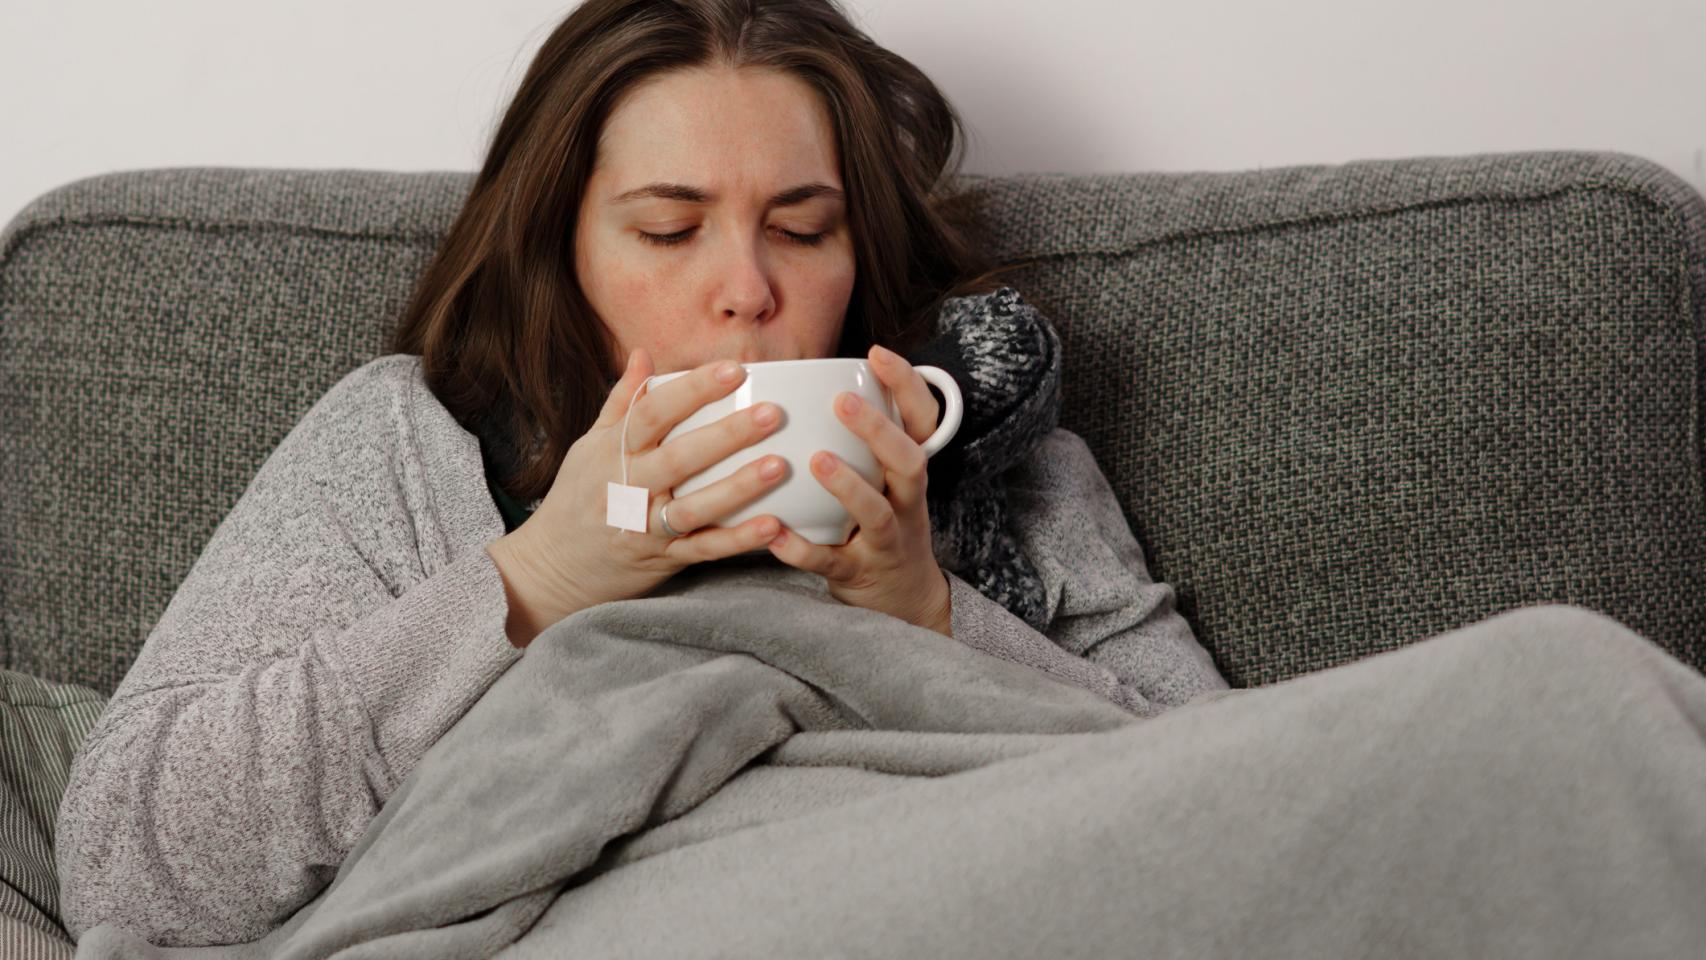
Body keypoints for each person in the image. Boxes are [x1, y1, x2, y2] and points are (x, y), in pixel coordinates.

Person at [55, 0, 1229, 947]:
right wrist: (534, 579)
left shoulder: (1007, 470)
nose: (746, 291)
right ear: (559, 252)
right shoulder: (403, 447)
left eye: (802, 229)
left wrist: (924, 619)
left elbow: (1231, 802)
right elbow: (125, 861)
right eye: (669, 231)